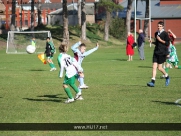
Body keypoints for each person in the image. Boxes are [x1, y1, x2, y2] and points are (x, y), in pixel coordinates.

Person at [147, 21, 170, 87]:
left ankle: (167, 76)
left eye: (160, 26)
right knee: (154, 66)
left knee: (159, 68)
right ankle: (152, 82)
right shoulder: (156, 33)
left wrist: (161, 40)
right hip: (156, 51)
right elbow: (157, 43)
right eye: (158, 26)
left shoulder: (165, 34)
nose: (159, 27)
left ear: (162, 27)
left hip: (162, 52)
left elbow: (167, 43)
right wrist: (152, 42)